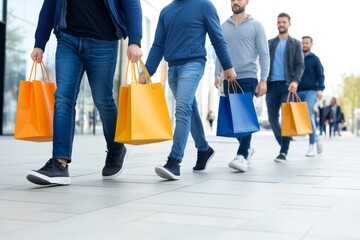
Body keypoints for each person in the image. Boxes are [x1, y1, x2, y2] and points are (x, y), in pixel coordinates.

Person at [26, 0, 143, 186]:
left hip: (104, 41)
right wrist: (39, 43)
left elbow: (131, 5)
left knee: (103, 101)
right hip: (68, 40)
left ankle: (116, 149)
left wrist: (135, 40)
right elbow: (49, 6)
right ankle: (59, 163)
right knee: (63, 98)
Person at [140, 0, 237, 180]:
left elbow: (217, 38)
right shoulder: (166, 11)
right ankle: (204, 149)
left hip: (193, 64)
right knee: (189, 108)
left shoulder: (204, 6)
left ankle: (174, 161)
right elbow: (158, 45)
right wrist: (147, 71)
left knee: (182, 108)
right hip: (173, 68)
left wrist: (227, 66)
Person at [214, 0, 269, 172]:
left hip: (248, 77)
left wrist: (263, 79)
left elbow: (264, 53)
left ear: (247, 2)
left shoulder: (256, 26)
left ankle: (242, 155)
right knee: (233, 119)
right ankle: (248, 148)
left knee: (243, 116)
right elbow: (219, 50)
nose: (235, 2)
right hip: (228, 78)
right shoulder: (223, 26)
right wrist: (217, 74)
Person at [266, 12, 304, 163]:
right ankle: (284, 142)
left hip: (287, 86)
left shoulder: (295, 43)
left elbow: (300, 65)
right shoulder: (270, 43)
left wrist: (295, 81)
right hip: (271, 86)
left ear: (289, 24)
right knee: (272, 120)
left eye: (284, 22)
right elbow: (263, 62)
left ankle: (283, 151)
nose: (281, 24)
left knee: (287, 119)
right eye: (279, 22)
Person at [297, 36, 325, 157]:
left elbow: (321, 75)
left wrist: (320, 89)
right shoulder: (297, 58)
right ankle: (317, 137)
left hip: (311, 91)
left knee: (309, 115)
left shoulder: (315, 59)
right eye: (303, 43)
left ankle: (311, 145)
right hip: (297, 91)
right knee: (302, 118)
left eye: (307, 43)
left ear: (311, 44)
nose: (304, 45)